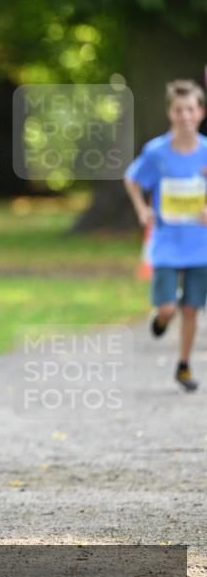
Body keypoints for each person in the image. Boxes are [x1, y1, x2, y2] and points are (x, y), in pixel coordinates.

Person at [124, 79, 207, 391]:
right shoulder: (157, 152)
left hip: (201, 246)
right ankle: (161, 318)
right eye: (178, 110)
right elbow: (132, 179)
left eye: (190, 109)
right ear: (170, 113)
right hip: (167, 244)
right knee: (170, 307)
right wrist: (142, 210)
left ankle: (183, 366)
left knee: (190, 309)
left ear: (200, 112)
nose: (185, 116)